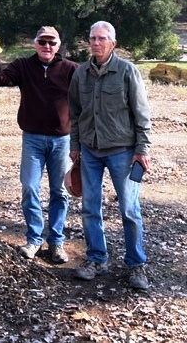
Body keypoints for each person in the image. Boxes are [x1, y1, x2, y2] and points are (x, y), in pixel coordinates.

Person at [68, 20, 151, 290]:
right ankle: (96, 259)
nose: (96, 43)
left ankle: (136, 265)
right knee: (90, 208)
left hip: (122, 152)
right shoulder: (81, 74)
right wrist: (75, 145)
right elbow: (76, 115)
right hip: (90, 152)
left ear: (112, 43)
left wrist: (142, 150)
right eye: (92, 38)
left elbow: (141, 114)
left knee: (129, 209)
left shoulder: (127, 71)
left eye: (102, 38)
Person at [0, 26, 79, 263]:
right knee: (29, 187)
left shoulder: (70, 69)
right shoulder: (23, 66)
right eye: (42, 42)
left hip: (61, 141)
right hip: (33, 140)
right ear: (35, 44)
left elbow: (89, 93)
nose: (46, 46)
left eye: (51, 42)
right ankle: (34, 239)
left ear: (58, 46)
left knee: (59, 191)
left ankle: (56, 242)